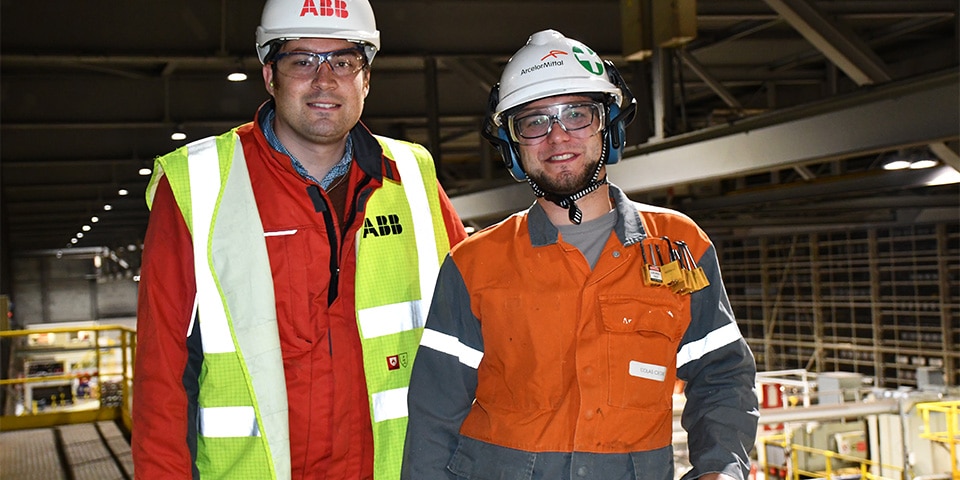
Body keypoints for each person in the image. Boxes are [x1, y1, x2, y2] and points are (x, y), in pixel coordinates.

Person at [401, 29, 759, 480]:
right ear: (513, 144)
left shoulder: (677, 247)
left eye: (577, 115)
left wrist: (721, 468)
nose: (557, 137)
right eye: (534, 122)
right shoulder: (473, 264)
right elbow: (435, 413)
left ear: (608, 125)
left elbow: (720, 373)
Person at [132, 0, 468, 478]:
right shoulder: (199, 184)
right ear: (270, 76)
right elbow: (160, 378)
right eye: (302, 61)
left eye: (343, 61)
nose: (325, 80)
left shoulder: (412, 176)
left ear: (366, 79)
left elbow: (471, 330)